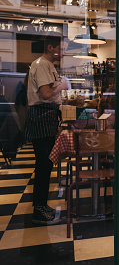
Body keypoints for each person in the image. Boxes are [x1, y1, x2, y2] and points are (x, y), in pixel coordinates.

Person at [25, 37, 69, 225]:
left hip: (47, 117)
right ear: (50, 47)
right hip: (41, 117)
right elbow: (45, 94)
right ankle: (39, 209)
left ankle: (41, 205)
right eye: (61, 48)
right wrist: (63, 85)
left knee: (46, 164)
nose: (64, 52)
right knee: (43, 164)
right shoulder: (42, 65)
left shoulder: (48, 65)